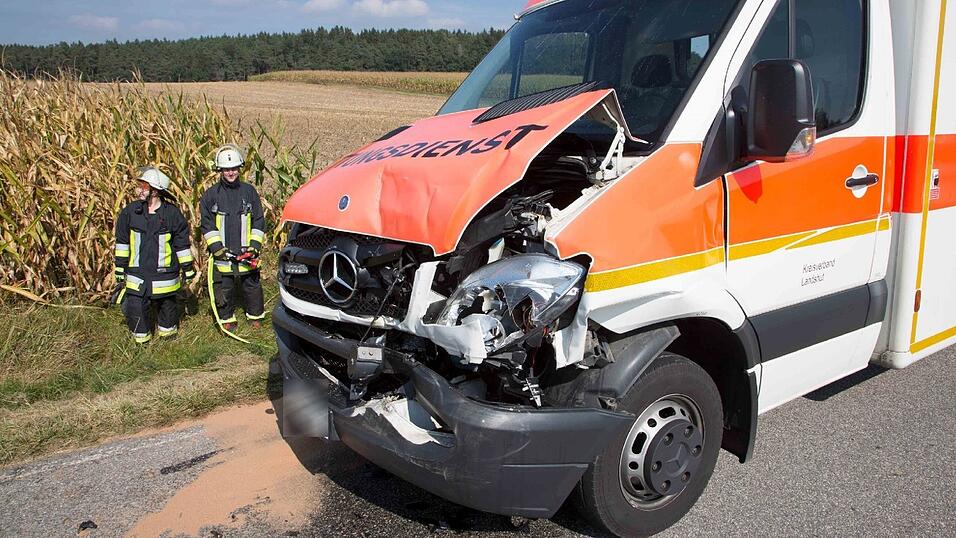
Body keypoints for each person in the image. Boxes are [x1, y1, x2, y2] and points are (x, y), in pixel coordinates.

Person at [114, 167, 195, 343]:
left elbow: (181, 244)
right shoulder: (130, 212)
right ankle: (142, 345)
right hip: (137, 275)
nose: (139, 190)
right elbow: (122, 242)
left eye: (143, 186)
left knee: (167, 308)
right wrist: (120, 267)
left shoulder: (172, 214)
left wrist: (188, 268)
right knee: (136, 309)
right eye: (140, 186)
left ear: (155, 191)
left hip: (164, 276)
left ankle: (168, 340)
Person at [200, 144, 266, 332]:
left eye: (234, 168)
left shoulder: (249, 192)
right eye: (227, 169)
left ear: (240, 168)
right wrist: (217, 249)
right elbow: (207, 224)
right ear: (220, 170)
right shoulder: (211, 195)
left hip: (248, 252)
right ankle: (227, 319)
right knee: (224, 286)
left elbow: (259, 220)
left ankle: (255, 317)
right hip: (223, 253)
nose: (231, 172)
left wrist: (254, 246)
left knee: (252, 285)